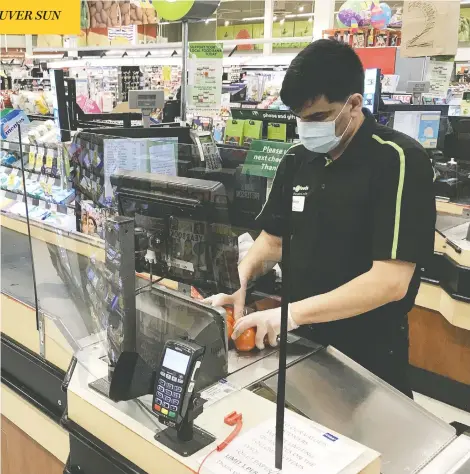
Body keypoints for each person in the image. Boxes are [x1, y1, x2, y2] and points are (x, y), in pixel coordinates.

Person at [205, 40, 436, 398]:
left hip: (368, 351)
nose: (306, 128)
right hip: (301, 339)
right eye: (300, 118)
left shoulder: (399, 160)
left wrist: (291, 314)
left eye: (318, 118)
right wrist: (240, 279)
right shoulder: (297, 159)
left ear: (354, 104)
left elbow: (391, 281)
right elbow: (273, 240)